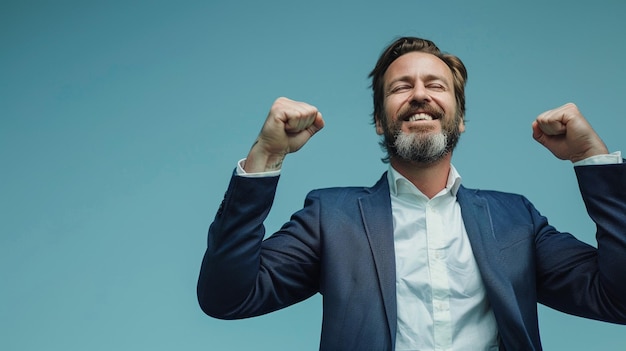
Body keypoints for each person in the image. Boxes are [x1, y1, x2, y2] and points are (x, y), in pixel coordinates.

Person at [197, 37, 626, 350]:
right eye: (401, 87)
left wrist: (592, 159)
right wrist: (267, 156)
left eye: (436, 86)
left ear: (459, 121)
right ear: (381, 122)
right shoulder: (331, 217)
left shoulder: (517, 220)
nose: (419, 94)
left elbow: (618, 298)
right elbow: (228, 296)